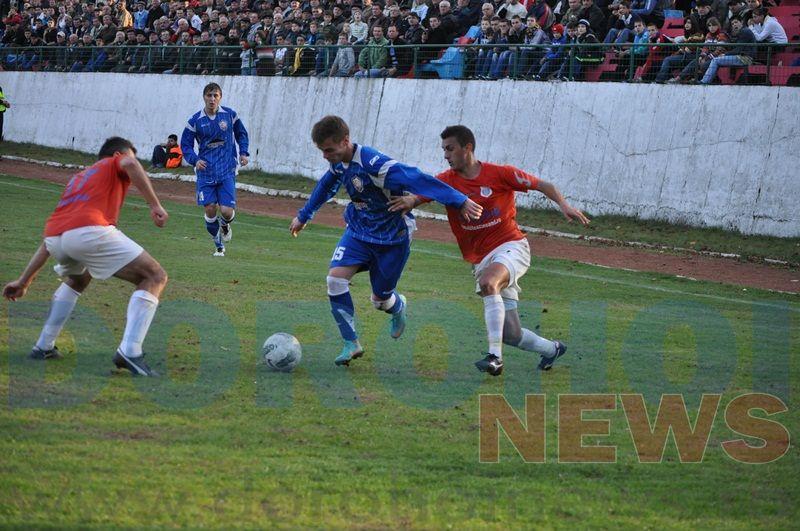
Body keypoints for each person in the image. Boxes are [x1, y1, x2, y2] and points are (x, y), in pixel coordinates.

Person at [388, 125, 589, 376]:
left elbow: (543, 184)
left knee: (488, 282)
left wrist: (564, 205)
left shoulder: (500, 174)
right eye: (444, 150)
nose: (446, 155)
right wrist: (410, 200)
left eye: (450, 149)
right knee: (511, 333)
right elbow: (421, 195)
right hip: (482, 259)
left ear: (468, 148)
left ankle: (495, 358)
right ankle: (552, 349)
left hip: (511, 246)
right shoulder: (446, 181)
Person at [288, 116, 483, 367]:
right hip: (358, 231)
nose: (326, 156)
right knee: (335, 280)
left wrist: (459, 200)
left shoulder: (374, 164)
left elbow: (417, 178)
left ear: (345, 141)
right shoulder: (338, 163)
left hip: (393, 237)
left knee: (380, 300)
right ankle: (351, 343)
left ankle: (397, 306)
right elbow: (327, 184)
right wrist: (304, 215)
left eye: (329, 150)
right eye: (322, 151)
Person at [2, 137, 168, 377]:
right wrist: (154, 205)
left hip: (57, 237)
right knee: (154, 276)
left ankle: (43, 345)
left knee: (80, 277)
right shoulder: (117, 162)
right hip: (88, 231)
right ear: (118, 155)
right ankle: (130, 351)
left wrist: (23, 281)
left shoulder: (79, 178)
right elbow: (131, 165)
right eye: (129, 155)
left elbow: (51, 240)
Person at [180, 82, 249, 257]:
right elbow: (185, 145)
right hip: (206, 172)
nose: (212, 99)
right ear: (204, 97)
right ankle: (218, 244)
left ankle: (225, 224)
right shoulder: (195, 121)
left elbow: (241, 134)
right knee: (210, 208)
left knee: (226, 211)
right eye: (209, 95)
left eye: (215, 95)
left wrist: (244, 152)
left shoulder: (230, 115)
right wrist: (195, 160)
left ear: (220, 97)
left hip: (227, 169)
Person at [0, 86, 9, 150]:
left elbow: (1, 99)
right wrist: (3, 102)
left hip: (1, 112)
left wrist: (6, 104)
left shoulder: (0, 88)